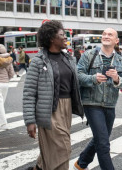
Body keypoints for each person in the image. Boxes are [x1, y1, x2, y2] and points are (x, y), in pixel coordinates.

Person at [23, 20, 84, 170]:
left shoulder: (69, 58)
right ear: (51, 38)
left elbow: (76, 83)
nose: (65, 38)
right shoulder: (38, 61)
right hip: (49, 110)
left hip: (66, 108)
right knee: (63, 148)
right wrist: (30, 121)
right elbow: (29, 92)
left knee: (53, 148)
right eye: (62, 35)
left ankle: (39, 167)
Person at [74, 28, 122, 170]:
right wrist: (93, 78)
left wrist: (117, 79)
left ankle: (81, 163)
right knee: (103, 144)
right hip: (91, 103)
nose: (106, 36)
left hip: (110, 104)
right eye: (104, 34)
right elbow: (77, 76)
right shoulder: (88, 55)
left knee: (101, 138)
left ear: (116, 41)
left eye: (110, 34)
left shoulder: (120, 60)